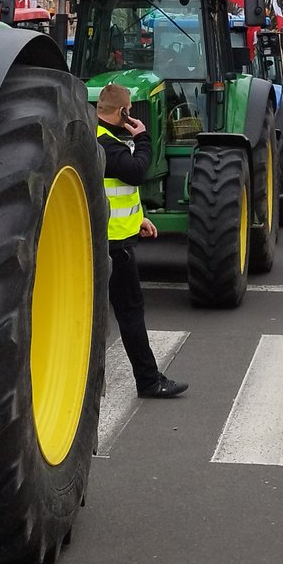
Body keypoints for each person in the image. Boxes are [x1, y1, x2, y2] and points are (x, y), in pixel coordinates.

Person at [96, 84, 188, 399]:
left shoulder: (93, 136)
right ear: (123, 111)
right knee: (130, 314)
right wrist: (144, 138)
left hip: (108, 237)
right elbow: (136, 172)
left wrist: (140, 219)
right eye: (130, 110)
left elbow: (112, 190)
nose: (132, 114)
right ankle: (149, 381)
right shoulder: (108, 146)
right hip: (114, 246)